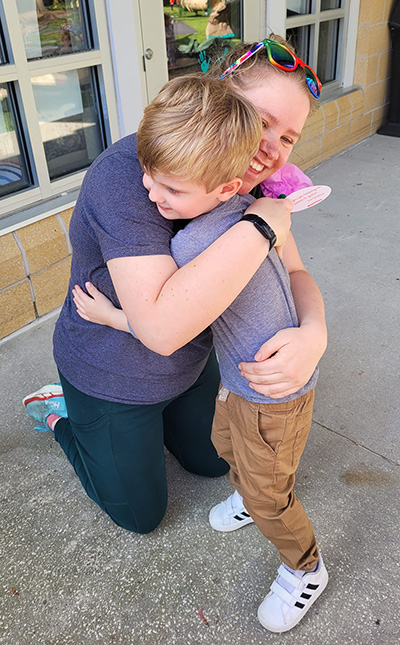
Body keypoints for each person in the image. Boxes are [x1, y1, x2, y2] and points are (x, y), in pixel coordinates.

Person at [23, 37, 327, 626]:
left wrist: (314, 331)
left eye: (287, 136)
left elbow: (295, 272)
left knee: (215, 464)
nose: (270, 150)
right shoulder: (134, 175)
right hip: (113, 365)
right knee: (140, 513)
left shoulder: (250, 182)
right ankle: (66, 416)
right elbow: (160, 328)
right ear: (214, 98)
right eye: (261, 121)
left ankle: (142, 426)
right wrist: (265, 222)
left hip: (191, 363)